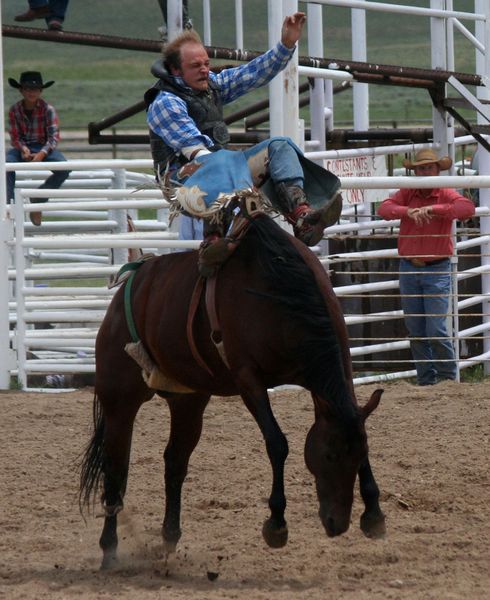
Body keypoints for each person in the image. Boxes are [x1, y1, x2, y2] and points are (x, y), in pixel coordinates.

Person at [145, 12, 342, 275]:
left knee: (279, 146)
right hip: (180, 180)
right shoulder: (164, 102)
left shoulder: (210, 86)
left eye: (206, 63)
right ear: (175, 70)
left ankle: (302, 216)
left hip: (218, 167)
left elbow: (252, 74)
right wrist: (235, 170)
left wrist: (286, 45)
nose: (205, 69)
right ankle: (213, 242)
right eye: (196, 66)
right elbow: (195, 149)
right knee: (218, 160)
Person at [377, 148, 475, 385]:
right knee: (417, 329)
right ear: (416, 171)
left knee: (435, 329)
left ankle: (446, 379)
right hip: (412, 267)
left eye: (429, 167)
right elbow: (385, 209)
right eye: (421, 168)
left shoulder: (444, 193)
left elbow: (467, 209)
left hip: (434, 268)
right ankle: (428, 380)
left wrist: (433, 209)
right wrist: (408, 211)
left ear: (437, 170)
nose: (425, 171)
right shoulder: (408, 194)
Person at [7, 71, 71, 226]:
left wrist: (42, 153)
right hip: (24, 147)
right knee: (7, 165)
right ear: (21, 90)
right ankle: (10, 205)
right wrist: (23, 149)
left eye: (34, 89)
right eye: (27, 89)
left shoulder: (48, 110)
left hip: (44, 146)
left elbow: (53, 137)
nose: (31, 92)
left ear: (40, 91)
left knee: (64, 168)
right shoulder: (15, 110)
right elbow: (15, 137)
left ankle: (39, 197)